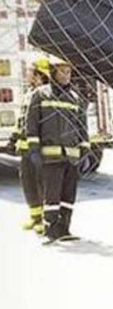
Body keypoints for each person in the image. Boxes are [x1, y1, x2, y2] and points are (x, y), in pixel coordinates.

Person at [25, 56, 89, 244]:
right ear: (53, 72)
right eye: (62, 71)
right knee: (52, 195)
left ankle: (65, 228)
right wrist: (34, 150)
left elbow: (82, 127)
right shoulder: (41, 94)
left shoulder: (76, 98)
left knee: (68, 196)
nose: (66, 75)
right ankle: (51, 229)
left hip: (72, 157)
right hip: (50, 156)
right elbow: (32, 125)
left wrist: (85, 150)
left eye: (68, 71)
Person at [17, 58, 50, 234]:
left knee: (41, 183)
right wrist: (14, 139)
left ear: (39, 75)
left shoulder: (44, 94)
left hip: (37, 148)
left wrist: (36, 148)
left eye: (30, 71)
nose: (27, 73)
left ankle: (45, 219)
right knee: (28, 183)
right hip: (25, 148)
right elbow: (23, 120)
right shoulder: (29, 92)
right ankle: (35, 216)